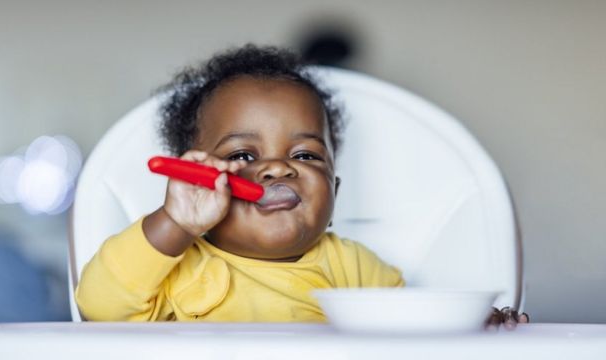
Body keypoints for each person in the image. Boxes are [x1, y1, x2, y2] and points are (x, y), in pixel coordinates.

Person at [75, 44, 527, 325]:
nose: (276, 170)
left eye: (305, 155)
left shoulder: (352, 267)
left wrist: (477, 326)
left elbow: (406, 333)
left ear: (335, 187)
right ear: (197, 183)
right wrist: (175, 223)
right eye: (243, 156)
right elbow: (99, 306)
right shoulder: (177, 266)